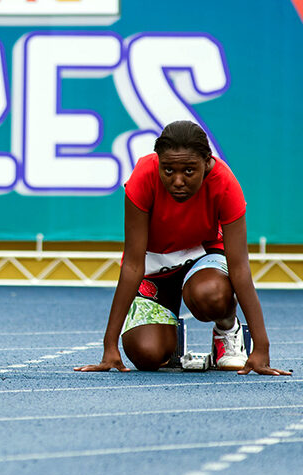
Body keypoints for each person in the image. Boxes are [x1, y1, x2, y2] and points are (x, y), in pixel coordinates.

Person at [76, 120, 290, 376]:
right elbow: (132, 265)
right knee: (147, 355)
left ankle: (226, 329)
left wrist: (261, 347)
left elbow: (240, 269)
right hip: (155, 268)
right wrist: (109, 347)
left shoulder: (225, 183)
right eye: (168, 170)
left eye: (189, 171)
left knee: (210, 294)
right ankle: (169, 338)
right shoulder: (143, 176)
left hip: (203, 260)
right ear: (158, 162)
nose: (178, 181)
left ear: (206, 162)